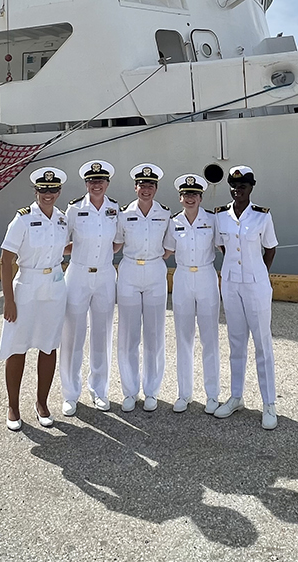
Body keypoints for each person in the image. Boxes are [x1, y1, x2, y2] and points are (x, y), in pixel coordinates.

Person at [0, 166, 70, 431]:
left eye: (52, 189)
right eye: (43, 189)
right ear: (36, 191)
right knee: (17, 347)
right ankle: (13, 406)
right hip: (26, 286)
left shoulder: (62, 220)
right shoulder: (23, 219)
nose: (48, 194)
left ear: (59, 191)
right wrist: (9, 299)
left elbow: (63, 247)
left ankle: (42, 403)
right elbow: (6, 260)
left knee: (49, 345)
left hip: (54, 287)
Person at [213, 165, 280, 430]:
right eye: (233, 186)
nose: (237, 190)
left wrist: (257, 272)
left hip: (256, 285)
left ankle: (269, 403)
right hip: (230, 284)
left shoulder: (262, 217)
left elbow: (270, 248)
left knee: (262, 344)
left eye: (242, 186)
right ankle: (236, 397)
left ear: (251, 188)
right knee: (236, 342)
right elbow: (222, 246)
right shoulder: (221, 216)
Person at [59, 159, 120, 416]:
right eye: (92, 181)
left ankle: (99, 390)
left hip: (105, 275)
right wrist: (82, 253)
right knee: (72, 336)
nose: (97, 185)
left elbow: (117, 243)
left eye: (101, 181)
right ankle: (70, 394)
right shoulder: (73, 210)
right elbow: (62, 244)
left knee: (102, 334)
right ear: (86, 184)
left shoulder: (115, 209)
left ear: (107, 183)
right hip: (78, 275)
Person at [114, 163, 171, 411]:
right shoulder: (123, 214)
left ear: (156, 188)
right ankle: (129, 391)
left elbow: (169, 249)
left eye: (150, 185)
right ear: (135, 187)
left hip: (155, 272)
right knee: (128, 334)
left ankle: (152, 391)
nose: (145, 189)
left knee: (155, 334)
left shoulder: (166, 214)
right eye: (142, 185)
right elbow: (115, 244)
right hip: (128, 272)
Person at [165, 172, 221, 414]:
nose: (190, 198)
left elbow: (224, 246)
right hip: (183, 277)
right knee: (183, 337)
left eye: (195, 195)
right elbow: (165, 252)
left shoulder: (213, 220)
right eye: (186, 195)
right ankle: (184, 393)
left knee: (210, 338)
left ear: (201, 197)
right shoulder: (173, 222)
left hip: (207, 276)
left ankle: (212, 394)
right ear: (180, 198)